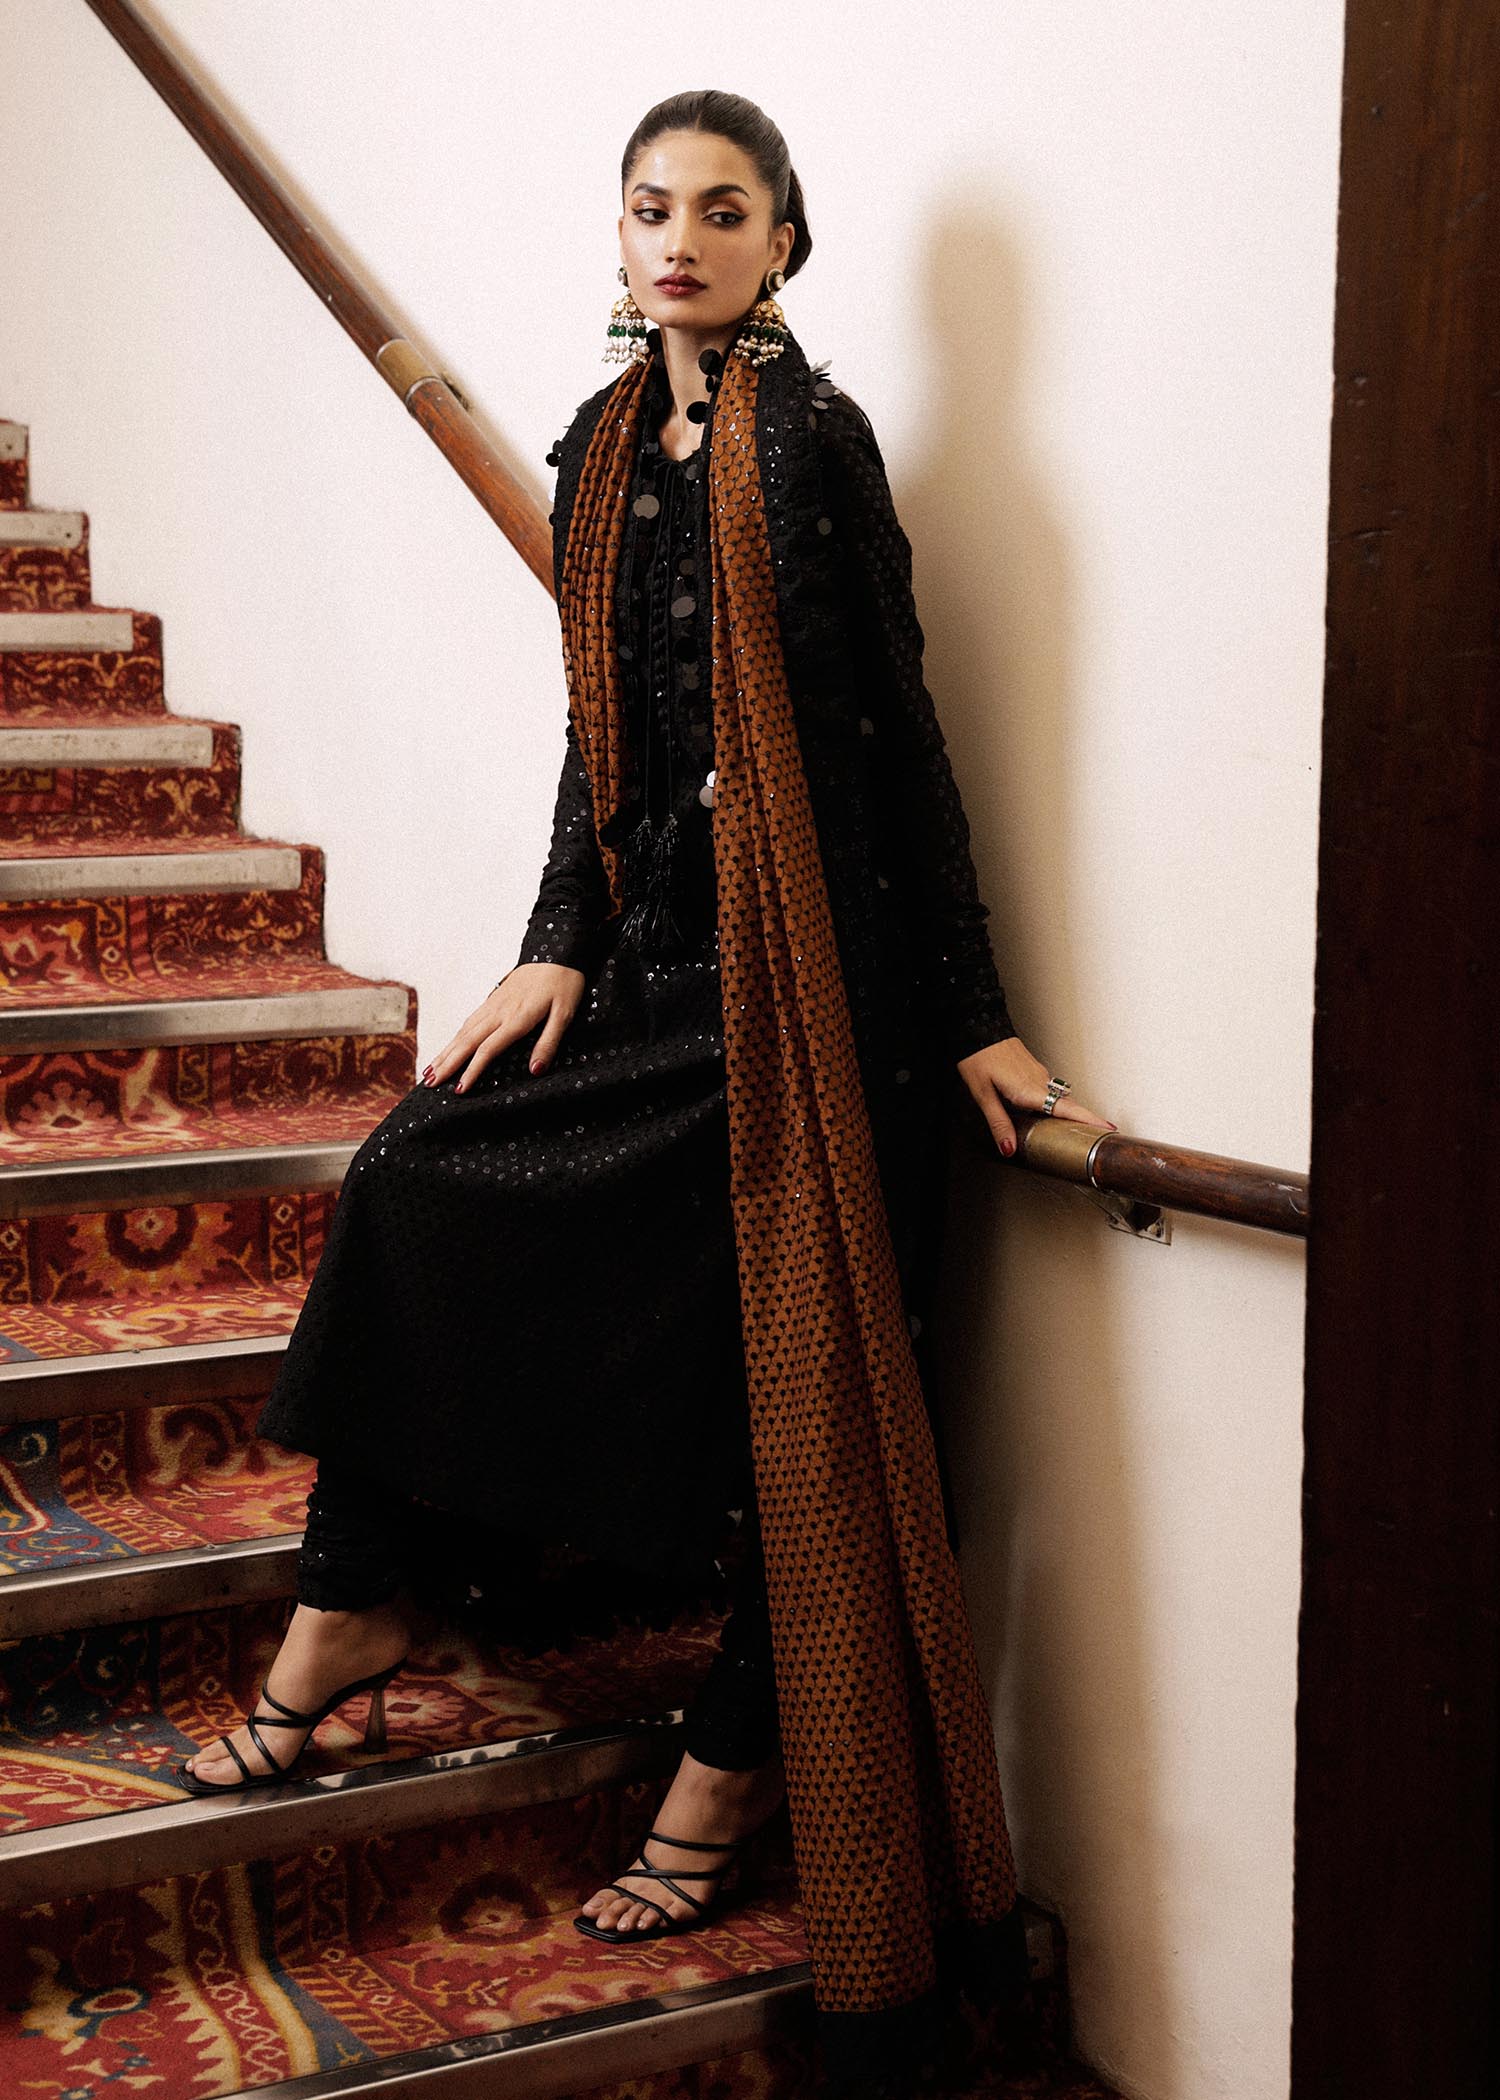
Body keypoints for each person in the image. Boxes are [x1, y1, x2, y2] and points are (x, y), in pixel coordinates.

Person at [181, 89, 1113, 2096]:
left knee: (803, 1387)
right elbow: (594, 741)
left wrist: (974, 1016)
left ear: (784, 244)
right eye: (649, 207)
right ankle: (353, 1607)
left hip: (821, 989)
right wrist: (555, 943)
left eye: (722, 209)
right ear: (618, 241)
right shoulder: (601, 451)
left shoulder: (821, 445)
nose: (680, 237)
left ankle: (733, 1766)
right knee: (420, 1175)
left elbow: (903, 739)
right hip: (656, 965)